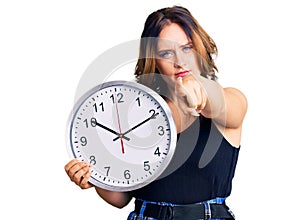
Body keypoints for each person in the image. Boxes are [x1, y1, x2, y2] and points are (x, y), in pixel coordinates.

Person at [65, 5, 247, 220]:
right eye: (167, 53)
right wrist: (94, 178)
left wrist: (199, 89)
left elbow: (220, 104)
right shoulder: (137, 116)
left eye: (187, 48)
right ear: (154, 60)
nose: (180, 61)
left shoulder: (231, 99)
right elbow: (121, 198)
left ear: (201, 49)